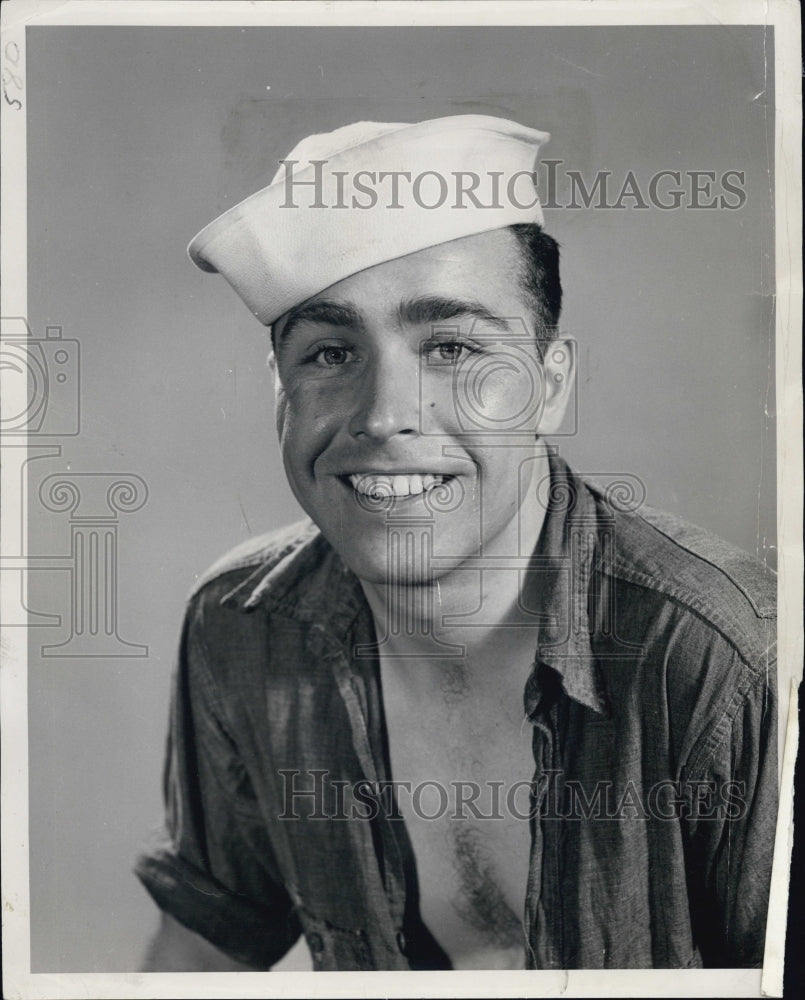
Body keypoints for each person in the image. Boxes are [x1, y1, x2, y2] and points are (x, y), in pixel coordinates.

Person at [135, 115, 777, 971]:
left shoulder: (727, 660)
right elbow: (200, 954)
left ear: (549, 389)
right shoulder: (243, 624)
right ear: (280, 392)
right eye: (330, 353)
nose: (383, 414)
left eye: (451, 346)